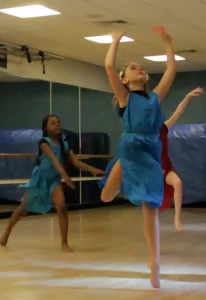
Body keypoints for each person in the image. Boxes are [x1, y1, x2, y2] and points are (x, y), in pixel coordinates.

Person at [99, 26, 176, 288]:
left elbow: (170, 72)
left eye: (141, 67)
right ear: (124, 80)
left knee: (150, 206)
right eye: (133, 67)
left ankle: (155, 260)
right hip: (132, 147)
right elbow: (109, 66)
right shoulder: (125, 97)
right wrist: (115, 41)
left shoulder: (154, 98)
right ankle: (119, 170)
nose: (139, 68)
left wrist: (168, 43)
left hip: (152, 149)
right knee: (106, 197)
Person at [0, 114, 105, 253]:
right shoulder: (44, 142)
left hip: (54, 181)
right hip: (40, 179)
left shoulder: (64, 144)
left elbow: (76, 162)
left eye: (58, 122)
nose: (57, 125)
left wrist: (93, 170)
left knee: (61, 206)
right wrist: (64, 174)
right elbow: (54, 159)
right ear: (46, 128)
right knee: (22, 209)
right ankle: (7, 231)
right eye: (53, 123)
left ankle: (64, 243)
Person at [159, 87, 204, 232]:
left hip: (165, 165)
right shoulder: (145, 133)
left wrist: (188, 96)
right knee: (151, 196)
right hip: (152, 166)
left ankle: (177, 219)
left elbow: (178, 112)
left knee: (177, 183)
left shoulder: (164, 127)